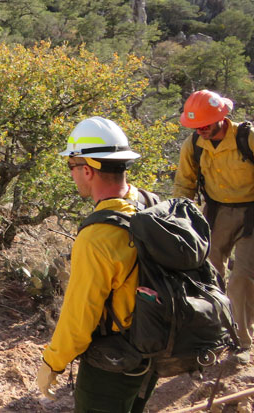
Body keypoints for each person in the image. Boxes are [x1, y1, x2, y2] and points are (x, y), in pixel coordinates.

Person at [36, 117, 158, 412]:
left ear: (87, 169)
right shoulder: (146, 201)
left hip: (113, 362)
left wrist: (53, 362)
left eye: (71, 166)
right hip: (152, 352)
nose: (72, 174)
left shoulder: (97, 237)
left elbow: (80, 317)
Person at [173, 89, 254, 363]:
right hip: (217, 212)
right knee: (208, 271)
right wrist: (179, 218)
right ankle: (215, 332)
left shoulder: (247, 138)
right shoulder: (194, 144)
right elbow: (184, 184)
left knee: (241, 276)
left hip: (252, 212)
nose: (202, 130)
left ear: (222, 117)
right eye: (196, 126)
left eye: (205, 124)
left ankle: (241, 342)